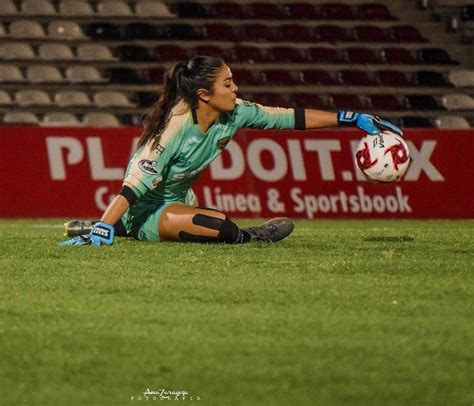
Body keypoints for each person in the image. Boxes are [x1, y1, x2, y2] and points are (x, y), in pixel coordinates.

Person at [61, 56, 402, 246]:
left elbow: (289, 118)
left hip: (179, 202)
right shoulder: (175, 126)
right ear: (205, 95)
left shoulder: (236, 111)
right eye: (227, 83)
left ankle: (106, 227)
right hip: (145, 210)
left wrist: (352, 118)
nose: (235, 88)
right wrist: (106, 224)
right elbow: (135, 183)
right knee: (222, 228)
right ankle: (255, 237)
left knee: (208, 222)